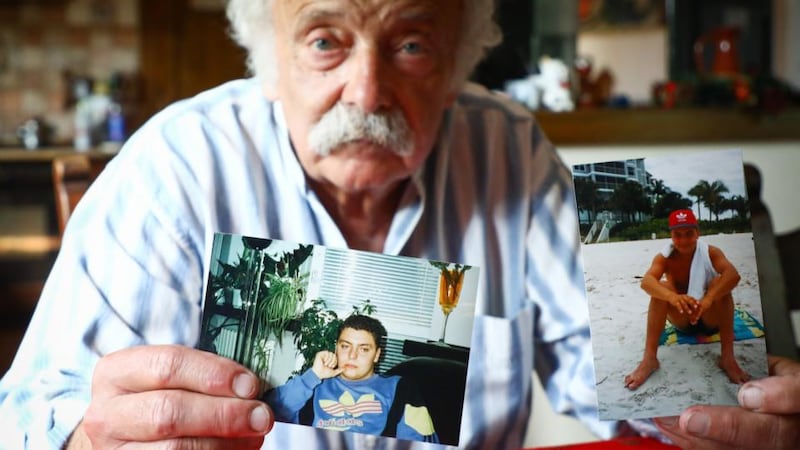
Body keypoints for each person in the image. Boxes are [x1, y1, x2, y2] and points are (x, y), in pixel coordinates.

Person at [0, 0, 797, 449]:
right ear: (267, 55)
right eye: (325, 41)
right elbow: (24, 415)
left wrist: (735, 411)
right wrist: (86, 438)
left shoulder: (512, 151)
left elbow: (637, 388)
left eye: (411, 43)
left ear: (457, 61)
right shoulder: (173, 170)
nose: (368, 90)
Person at [625, 209, 750, 391]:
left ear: (697, 232)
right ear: (671, 235)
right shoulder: (665, 257)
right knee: (663, 287)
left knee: (719, 283)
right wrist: (673, 297)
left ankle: (727, 358)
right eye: (678, 235)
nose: (683, 240)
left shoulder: (711, 252)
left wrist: (707, 300)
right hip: (681, 318)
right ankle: (650, 358)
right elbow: (646, 282)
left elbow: (733, 275)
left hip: (709, 317)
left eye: (689, 234)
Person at [266, 315, 439, 443]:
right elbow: (266, 414)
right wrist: (313, 376)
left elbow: (419, 441)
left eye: (363, 349)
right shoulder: (313, 385)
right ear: (336, 348)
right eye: (345, 346)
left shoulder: (402, 389)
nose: (352, 355)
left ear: (377, 355)